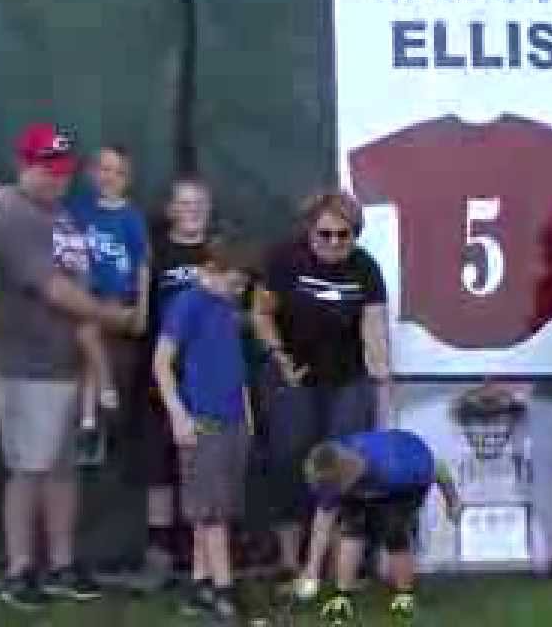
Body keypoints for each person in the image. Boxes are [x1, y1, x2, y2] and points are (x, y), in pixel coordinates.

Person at [0, 124, 137, 609]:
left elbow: (78, 281)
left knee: (64, 470)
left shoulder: (62, 217)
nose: (57, 179)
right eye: (46, 169)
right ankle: (19, 570)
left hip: (68, 363)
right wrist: (110, 315)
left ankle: (62, 563)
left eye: (63, 170)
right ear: (23, 165)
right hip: (27, 365)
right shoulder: (15, 217)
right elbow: (55, 289)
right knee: (28, 468)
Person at [252, 190, 391, 589]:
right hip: (293, 375)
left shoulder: (366, 270)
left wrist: (383, 388)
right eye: (324, 234)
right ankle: (289, 560)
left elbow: (375, 332)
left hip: (347, 378)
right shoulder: (285, 260)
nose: (333, 243)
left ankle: (332, 563)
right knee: (290, 459)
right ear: (309, 231)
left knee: (340, 465)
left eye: (342, 236)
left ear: (355, 235)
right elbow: (261, 313)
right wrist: (279, 355)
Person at [152, 236, 255, 623]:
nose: (239, 290)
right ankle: (225, 592)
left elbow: (236, 367)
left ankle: (200, 585)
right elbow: (162, 364)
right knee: (211, 516)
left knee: (214, 508)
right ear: (213, 270)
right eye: (235, 281)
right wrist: (178, 414)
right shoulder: (188, 304)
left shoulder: (228, 307)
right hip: (203, 421)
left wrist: (247, 417)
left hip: (233, 422)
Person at [131, 175, 213, 589]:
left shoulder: (222, 254)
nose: (192, 209)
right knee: (159, 467)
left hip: (209, 377)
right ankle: (159, 552)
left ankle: (200, 556)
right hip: (162, 372)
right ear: (170, 210)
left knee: (204, 466)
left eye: (199, 202)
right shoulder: (155, 253)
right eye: (184, 202)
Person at [304, 429, 461, 626]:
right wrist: (312, 568)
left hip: (405, 485)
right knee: (351, 530)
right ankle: (342, 595)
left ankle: (404, 595)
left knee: (394, 531)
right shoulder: (331, 468)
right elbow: (322, 524)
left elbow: (438, 468)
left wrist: (452, 500)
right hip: (367, 474)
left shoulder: (400, 469)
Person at [68, 144, 150, 461]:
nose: (110, 177)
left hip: (120, 299)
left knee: (87, 333)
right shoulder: (80, 209)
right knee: (87, 342)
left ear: (127, 179)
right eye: (104, 169)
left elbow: (142, 265)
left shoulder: (131, 217)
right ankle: (89, 424)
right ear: (91, 173)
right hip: (88, 295)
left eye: (118, 172)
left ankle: (105, 391)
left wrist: (142, 309)